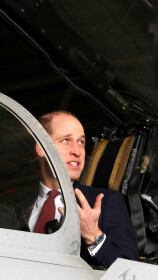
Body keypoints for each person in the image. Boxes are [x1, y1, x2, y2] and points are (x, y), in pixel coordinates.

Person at [29, 110, 139, 268]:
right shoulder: (14, 208)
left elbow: (131, 271)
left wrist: (93, 235)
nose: (77, 151)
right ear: (40, 148)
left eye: (81, 142)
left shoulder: (106, 203)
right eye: (66, 140)